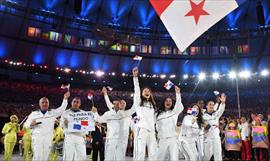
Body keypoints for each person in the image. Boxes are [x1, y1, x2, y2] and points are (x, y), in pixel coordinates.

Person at [24, 91, 70, 161]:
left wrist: (65, 99)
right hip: (37, 138)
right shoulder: (34, 114)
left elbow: (62, 109)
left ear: (48, 104)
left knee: (45, 156)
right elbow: (26, 125)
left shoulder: (52, 113)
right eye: (43, 102)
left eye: (46, 102)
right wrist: (31, 124)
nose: (44, 104)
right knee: (37, 156)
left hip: (48, 138)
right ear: (39, 104)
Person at [132, 67, 158, 161]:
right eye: (145, 91)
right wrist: (135, 78)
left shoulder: (152, 105)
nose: (147, 92)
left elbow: (154, 118)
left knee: (153, 152)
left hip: (151, 131)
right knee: (141, 152)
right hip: (142, 129)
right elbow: (137, 90)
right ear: (142, 93)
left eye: (148, 91)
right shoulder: (138, 102)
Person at [102, 87, 132, 160]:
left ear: (125, 105)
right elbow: (108, 103)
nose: (122, 104)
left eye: (124, 103)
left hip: (123, 138)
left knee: (120, 156)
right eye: (121, 103)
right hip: (112, 137)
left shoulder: (129, 115)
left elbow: (133, 126)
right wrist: (105, 94)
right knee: (110, 155)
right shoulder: (113, 111)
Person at [155, 85, 184, 161]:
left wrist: (178, 93)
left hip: (173, 139)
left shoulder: (174, 112)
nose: (168, 102)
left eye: (170, 101)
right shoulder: (157, 114)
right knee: (159, 158)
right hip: (162, 140)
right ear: (163, 102)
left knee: (174, 158)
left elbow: (179, 105)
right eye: (166, 101)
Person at [203, 93, 226, 161]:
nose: (211, 106)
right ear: (206, 106)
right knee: (207, 156)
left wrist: (223, 102)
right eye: (210, 104)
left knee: (218, 154)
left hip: (216, 138)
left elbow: (221, 109)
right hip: (207, 138)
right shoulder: (203, 116)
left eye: (213, 105)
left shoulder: (216, 114)